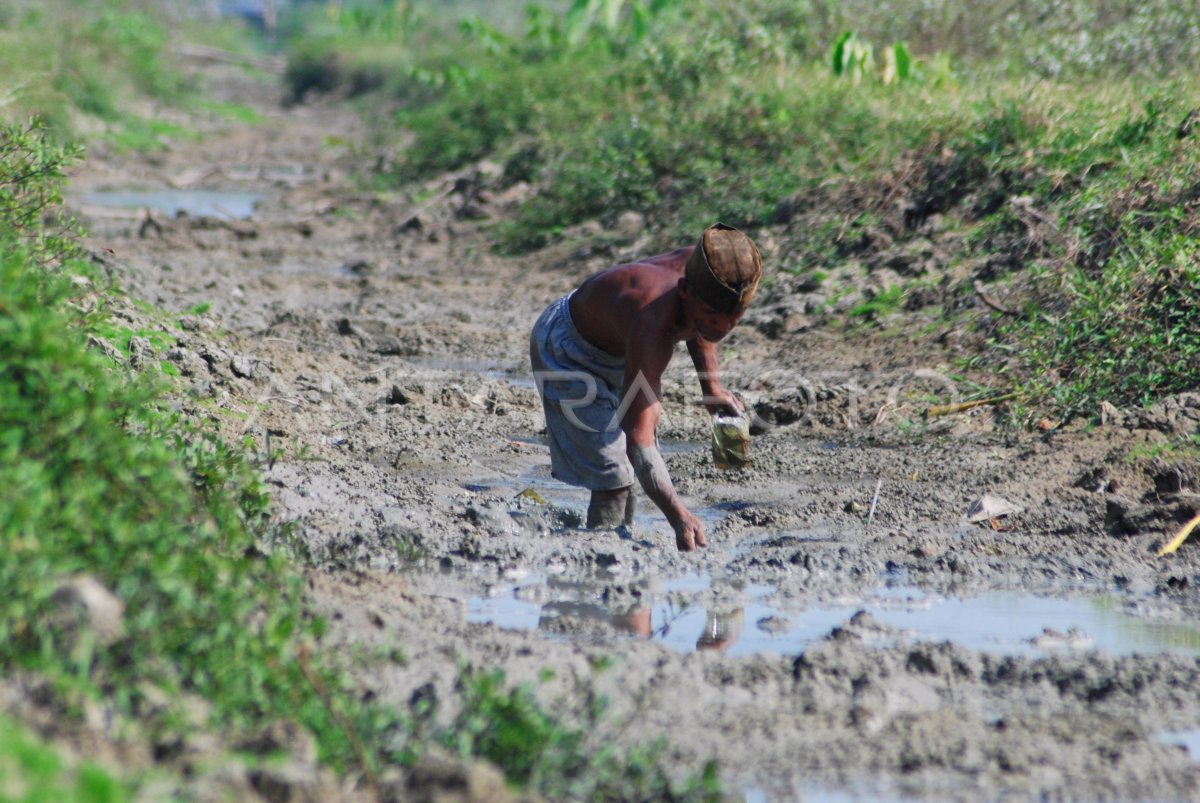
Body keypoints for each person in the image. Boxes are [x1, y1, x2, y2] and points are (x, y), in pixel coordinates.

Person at [529, 223, 762, 551]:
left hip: (614, 343)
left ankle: (617, 543)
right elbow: (640, 439)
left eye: (735, 315)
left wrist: (712, 389)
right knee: (614, 475)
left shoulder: (708, 270)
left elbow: (702, 327)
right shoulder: (652, 323)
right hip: (568, 352)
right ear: (684, 291)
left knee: (626, 472)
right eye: (712, 314)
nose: (723, 327)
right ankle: (602, 562)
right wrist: (680, 515)